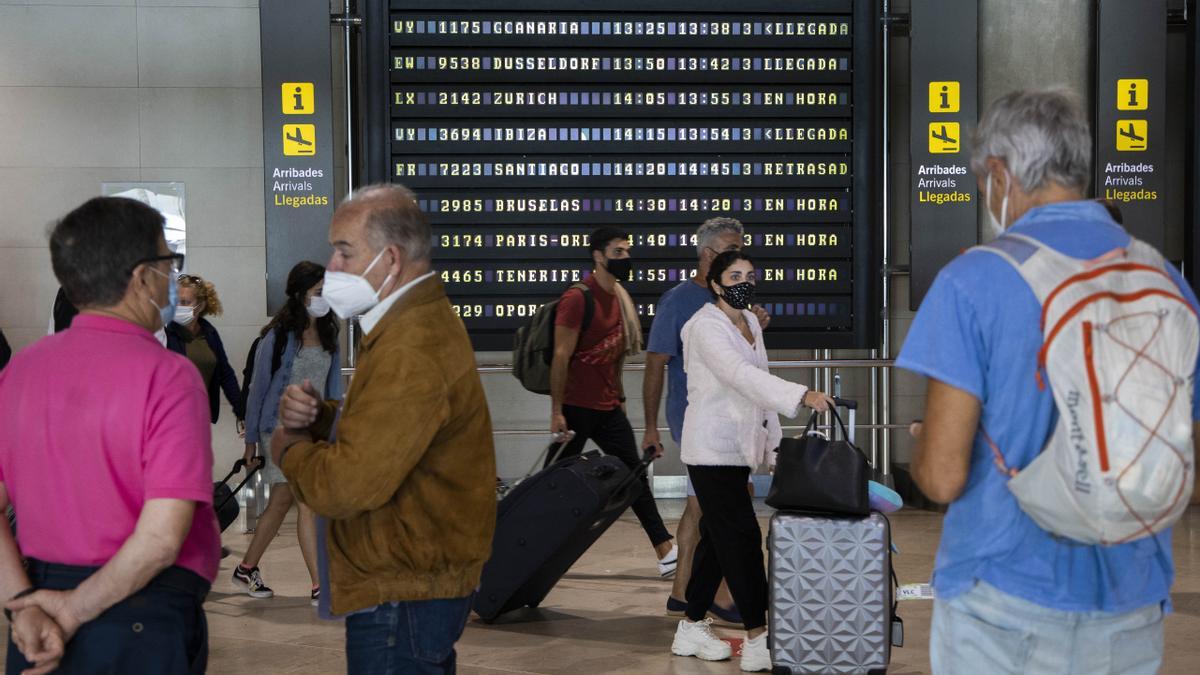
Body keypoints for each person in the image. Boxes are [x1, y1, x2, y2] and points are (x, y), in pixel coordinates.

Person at [898, 87, 1200, 674]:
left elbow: (940, 476)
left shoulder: (973, 280)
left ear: (1000, 174)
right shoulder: (1164, 281)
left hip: (1001, 598)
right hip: (1131, 596)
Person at [269, 184, 496, 674]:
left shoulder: (410, 345)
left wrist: (290, 449)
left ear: (389, 258)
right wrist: (325, 417)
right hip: (411, 579)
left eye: (344, 251)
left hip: (401, 591)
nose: (331, 266)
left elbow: (349, 485)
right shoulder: (407, 326)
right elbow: (393, 432)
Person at [0, 196, 218, 673]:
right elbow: (161, 539)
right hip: (137, 609)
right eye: (170, 264)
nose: (173, 279)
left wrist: (26, 604)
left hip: (37, 610)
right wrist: (72, 609)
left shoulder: (18, 374)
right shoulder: (169, 376)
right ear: (143, 276)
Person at [670, 250, 832, 672]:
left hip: (738, 451)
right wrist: (802, 394)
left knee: (718, 539)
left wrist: (774, 448)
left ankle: (690, 627)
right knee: (740, 537)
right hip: (709, 449)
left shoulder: (749, 327)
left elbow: (758, 398)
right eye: (735, 275)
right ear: (715, 283)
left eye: (750, 275)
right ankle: (759, 636)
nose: (745, 281)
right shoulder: (704, 327)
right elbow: (741, 376)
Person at [643, 217, 771, 622]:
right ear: (708, 255)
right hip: (699, 421)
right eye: (731, 252)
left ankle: (690, 597)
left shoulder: (738, 305)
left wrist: (753, 327)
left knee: (705, 509)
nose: (741, 266)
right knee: (711, 508)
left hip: (732, 421)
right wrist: (651, 425)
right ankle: (702, 598)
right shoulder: (680, 302)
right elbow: (655, 363)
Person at [550, 226, 676, 576]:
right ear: (598, 256)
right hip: (575, 407)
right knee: (553, 485)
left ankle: (665, 549)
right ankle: (527, 548)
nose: (625, 258)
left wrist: (618, 396)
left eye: (626, 251)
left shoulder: (619, 298)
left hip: (607, 407)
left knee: (633, 477)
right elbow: (561, 356)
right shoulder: (578, 298)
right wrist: (557, 411)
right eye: (618, 252)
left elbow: (614, 356)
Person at [236, 261, 342, 604]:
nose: (323, 298)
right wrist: (251, 440)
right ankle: (319, 585)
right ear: (300, 294)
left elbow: (334, 389)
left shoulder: (329, 333)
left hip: (312, 433)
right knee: (307, 502)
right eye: (317, 292)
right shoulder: (279, 337)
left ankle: (247, 567)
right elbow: (258, 390)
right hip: (278, 430)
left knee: (281, 502)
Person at [167, 274, 246, 430]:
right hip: (174, 418)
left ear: (200, 305)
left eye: (185, 302)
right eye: (176, 302)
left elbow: (225, 374)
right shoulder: (167, 335)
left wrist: (241, 410)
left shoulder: (209, 334)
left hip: (201, 417)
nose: (179, 307)